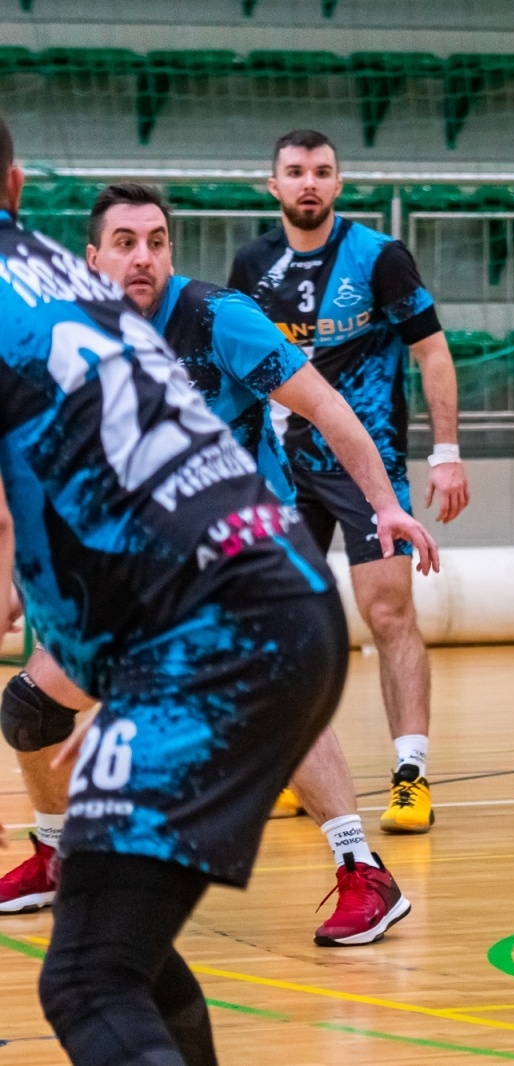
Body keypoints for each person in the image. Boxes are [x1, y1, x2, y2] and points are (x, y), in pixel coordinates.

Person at [0, 117, 363, 1066]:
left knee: (85, 980)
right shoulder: (71, 282)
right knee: (129, 953)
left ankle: (358, 855)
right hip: (277, 589)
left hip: (202, 633)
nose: (141, 256)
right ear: (16, 182)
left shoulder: (173, 305)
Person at [0, 184, 437, 947]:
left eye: (158, 241)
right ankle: (55, 854)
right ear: (92, 257)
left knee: (274, 694)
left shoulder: (216, 317)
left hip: (246, 549)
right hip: (138, 559)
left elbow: (329, 407)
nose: (144, 257)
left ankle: (363, 869)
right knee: (32, 712)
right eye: (127, 243)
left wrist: (383, 505)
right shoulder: (69, 333)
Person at [228, 130, 468, 834]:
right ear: (271, 185)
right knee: (278, 622)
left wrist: (446, 452)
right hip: (281, 468)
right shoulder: (252, 264)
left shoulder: (379, 259)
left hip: (368, 468)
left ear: (339, 183)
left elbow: (433, 354)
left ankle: (410, 775)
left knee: (388, 615)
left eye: (323, 172)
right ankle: (297, 767)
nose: (310, 183)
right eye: (296, 172)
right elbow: (238, 368)